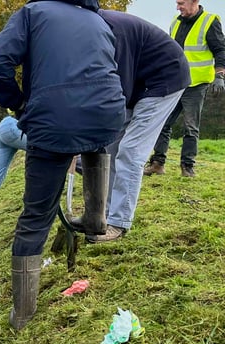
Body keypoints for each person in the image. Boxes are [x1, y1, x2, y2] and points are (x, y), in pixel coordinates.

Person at [0, 0, 125, 330]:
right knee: (94, 137)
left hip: (54, 120)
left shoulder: (33, 14)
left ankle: (22, 314)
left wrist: (18, 103)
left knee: (35, 216)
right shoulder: (98, 20)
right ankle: (96, 219)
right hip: (107, 113)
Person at [78, 10, 191, 242]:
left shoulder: (112, 31)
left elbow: (120, 87)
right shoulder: (85, 31)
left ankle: (119, 223)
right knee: (110, 149)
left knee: (130, 150)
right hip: (140, 83)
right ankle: (102, 216)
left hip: (165, 79)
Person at [144, 0, 225, 178]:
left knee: (191, 127)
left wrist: (219, 75)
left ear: (195, 1)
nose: (178, 7)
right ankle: (157, 163)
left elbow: (220, 50)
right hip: (175, 82)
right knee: (162, 122)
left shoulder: (210, 21)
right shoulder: (176, 21)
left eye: (181, 3)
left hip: (196, 84)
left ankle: (187, 167)